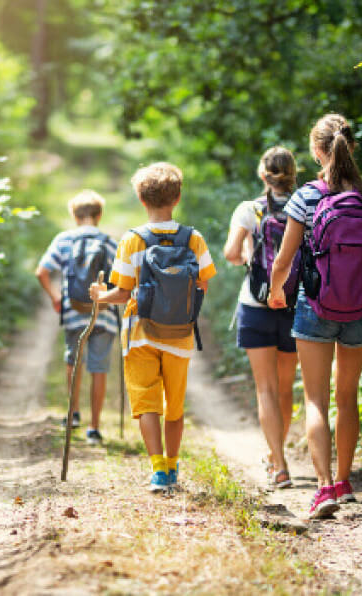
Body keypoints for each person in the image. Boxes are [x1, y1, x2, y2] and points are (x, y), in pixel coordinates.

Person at [268, 114, 362, 518]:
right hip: (360, 308)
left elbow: (283, 260)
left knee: (315, 399)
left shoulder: (306, 196)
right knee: (347, 397)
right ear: (352, 146)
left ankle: (323, 487)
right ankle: (345, 483)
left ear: (316, 151)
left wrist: (276, 292)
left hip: (314, 304)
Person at [89, 162, 217, 491]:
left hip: (140, 334)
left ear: (141, 200)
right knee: (174, 405)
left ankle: (158, 470)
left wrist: (100, 297)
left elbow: (122, 293)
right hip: (180, 335)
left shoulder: (132, 240)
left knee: (147, 402)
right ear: (177, 198)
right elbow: (203, 284)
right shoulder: (194, 238)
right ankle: (173, 466)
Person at [223, 147, 300, 490]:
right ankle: (275, 454)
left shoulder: (249, 209)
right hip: (294, 305)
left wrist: (249, 259)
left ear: (262, 174)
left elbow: (230, 253)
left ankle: (278, 465)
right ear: (294, 173)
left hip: (256, 305)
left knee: (265, 389)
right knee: (285, 388)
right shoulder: (306, 206)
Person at [36, 190, 118, 445]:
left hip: (73, 311)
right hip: (103, 314)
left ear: (74, 215)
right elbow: (123, 279)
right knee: (99, 367)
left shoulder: (64, 240)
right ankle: (94, 428)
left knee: (73, 361)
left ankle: (72, 414)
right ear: (99, 215)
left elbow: (41, 272)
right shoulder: (109, 242)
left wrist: (55, 297)